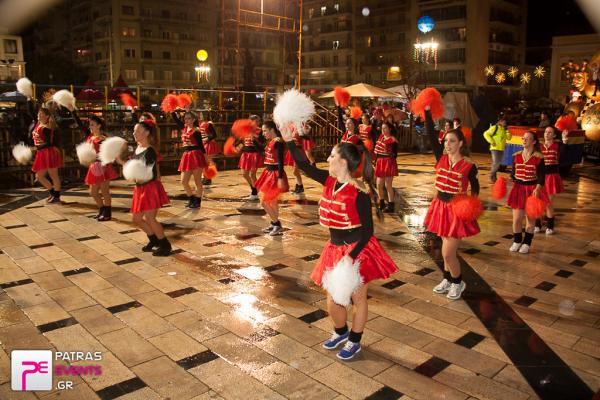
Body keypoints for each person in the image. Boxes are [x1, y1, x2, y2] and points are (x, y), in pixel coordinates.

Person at [282, 127, 397, 361]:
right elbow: (304, 165)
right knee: (333, 298)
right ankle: (341, 332)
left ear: (343, 161)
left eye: (332, 156)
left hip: (358, 250)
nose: (328, 159)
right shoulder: (329, 181)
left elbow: (368, 231)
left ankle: (354, 340)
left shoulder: (360, 192)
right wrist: (288, 140)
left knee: (357, 298)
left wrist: (351, 255)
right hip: (334, 248)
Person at [424, 106, 480, 300]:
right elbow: (431, 134)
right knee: (443, 249)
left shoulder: (469, 165)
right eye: (446, 141)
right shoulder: (441, 158)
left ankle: (458, 282)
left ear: (460, 143)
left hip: (456, 210)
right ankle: (448, 278)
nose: (447, 144)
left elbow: (475, 187)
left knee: (448, 253)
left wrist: (471, 205)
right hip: (440, 207)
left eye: (452, 141)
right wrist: (428, 112)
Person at [116, 119, 171, 256]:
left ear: (146, 133)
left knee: (150, 218)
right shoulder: (138, 148)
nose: (134, 133)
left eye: (138, 131)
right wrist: (122, 162)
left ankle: (165, 245)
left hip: (149, 188)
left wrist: (125, 165)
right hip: (140, 187)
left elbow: (148, 174)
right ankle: (154, 239)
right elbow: (135, 170)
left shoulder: (150, 151)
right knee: (137, 218)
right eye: (134, 130)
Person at [507, 131, 548, 254]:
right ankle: (517, 240)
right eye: (523, 138)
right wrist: (508, 180)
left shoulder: (539, 157)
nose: (524, 140)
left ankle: (527, 243)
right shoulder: (516, 155)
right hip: (518, 189)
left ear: (534, 141)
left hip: (532, 190)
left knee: (530, 221)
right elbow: (513, 174)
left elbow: (542, 176)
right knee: (517, 219)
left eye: (527, 138)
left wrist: (538, 188)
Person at [79, 115, 118, 220]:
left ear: (99, 126)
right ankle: (102, 209)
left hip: (103, 166)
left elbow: (110, 152)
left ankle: (108, 213)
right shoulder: (90, 137)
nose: (90, 127)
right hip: (93, 167)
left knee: (105, 191)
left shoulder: (103, 138)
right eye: (89, 125)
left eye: (92, 125)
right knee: (93, 192)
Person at [256, 121, 289, 236]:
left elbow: (281, 162)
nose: (263, 133)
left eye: (265, 131)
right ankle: (274, 224)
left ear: (272, 130)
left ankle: (276, 224)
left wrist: (280, 178)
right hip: (269, 172)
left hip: (274, 174)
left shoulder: (278, 142)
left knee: (263, 201)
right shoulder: (272, 141)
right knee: (272, 201)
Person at [173, 111, 207, 208]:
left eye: (188, 118)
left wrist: (205, 160)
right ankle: (191, 198)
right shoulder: (184, 128)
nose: (186, 120)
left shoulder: (196, 130)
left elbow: (201, 146)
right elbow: (175, 119)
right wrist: (172, 110)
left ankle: (198, 201)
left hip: (196, 155)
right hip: (187, 155)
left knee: (197, 181)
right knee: (183, 181)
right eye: (185, 118)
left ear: (193, 120)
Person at [535, 126, 565, 235]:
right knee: (537, 201)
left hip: (552, 176)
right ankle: (537, 224)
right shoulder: (538, 146)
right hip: (540, 176)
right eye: (546, 132)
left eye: (550, 132)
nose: (547, 134)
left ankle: (550, 226)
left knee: (547, 202)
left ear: (554, 135)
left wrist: (564, 140)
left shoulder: (558, 146)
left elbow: (564, 153)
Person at [31, 107, 63, 203]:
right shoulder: (39, 124)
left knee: (53, 175)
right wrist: (29, 99)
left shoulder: (47, 128)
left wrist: (36, 148)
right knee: (39, 176)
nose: (39, 115)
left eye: (41, 114)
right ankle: (53, 193)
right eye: (38, 113)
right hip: (42, 153)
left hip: (49, 152)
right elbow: (30, 111)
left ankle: (56, 196)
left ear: (47, 116)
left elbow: (49, 143)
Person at [374, 122, 398, 213]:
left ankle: (391, 205)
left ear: (390, 129)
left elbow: (395, 155)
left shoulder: (393, 140)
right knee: (379, 184)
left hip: (388, 162)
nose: (383, 130)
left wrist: (389, 152)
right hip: (380, 162)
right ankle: (381, 203)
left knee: (388, 185)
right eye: (382, 128)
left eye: (385, 128)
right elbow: (377, 152)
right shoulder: (381, 138)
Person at [483, 116, 511, 183]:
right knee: (496, 163)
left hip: (501, 148)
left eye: (505, 122)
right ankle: (491, 175)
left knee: (497, 163)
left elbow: (509, 138)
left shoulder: (504, 130)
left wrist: (507, 130)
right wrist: (491, 141)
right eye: (503, 121)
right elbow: (485, 134)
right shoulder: (494, 128)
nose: (504, 123)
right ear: (500, 121)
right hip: (494, 148)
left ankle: (494, 178)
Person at [283, 126, 305, 194]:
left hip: (297, 150)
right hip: (293, 149)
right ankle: (299, 186)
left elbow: (301, 135)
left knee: (295, 171)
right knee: (295, 171)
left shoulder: (300, 127)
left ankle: (300, 186)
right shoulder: (291, 126)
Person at [200, 118, 220, 185]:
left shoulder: (208, 124)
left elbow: (214, 135)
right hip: (202, 145)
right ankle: (205, 177)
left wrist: (206, 139)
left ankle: (208, 178)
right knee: (204, 162)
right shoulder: (196, 125)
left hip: (208, 145)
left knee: (207, 162)